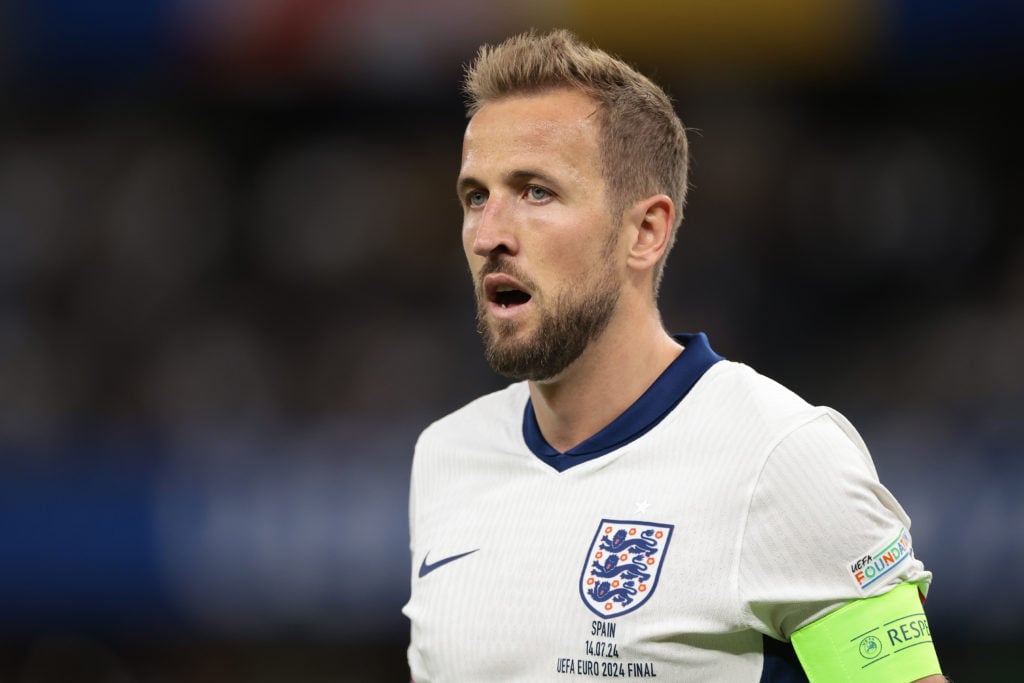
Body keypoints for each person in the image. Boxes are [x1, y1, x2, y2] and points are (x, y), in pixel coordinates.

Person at [402, 29, 944, 682]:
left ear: (646, 231)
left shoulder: (781, 458)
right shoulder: (446, 456)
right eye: (476, 196)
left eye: (536, 191)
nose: (489, 234)